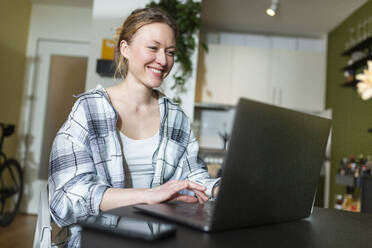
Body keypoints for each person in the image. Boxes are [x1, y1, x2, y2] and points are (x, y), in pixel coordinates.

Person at [48, 7, 220, 247]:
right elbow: (64, 199)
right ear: (125, 49)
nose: (163, 60)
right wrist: (147, 196)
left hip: (160, 239)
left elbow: (193, 175)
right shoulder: (88, 110)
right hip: (98, 239)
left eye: (170, 52)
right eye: (153, 48)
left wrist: (218, 189)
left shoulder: (176, 117)